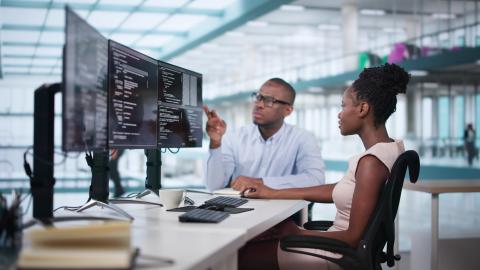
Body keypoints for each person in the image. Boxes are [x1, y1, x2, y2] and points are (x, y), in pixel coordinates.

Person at [237, 63, 410, 270]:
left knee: (236, 254)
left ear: (363, 109)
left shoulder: (371, 163)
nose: (339, 114)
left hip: (336, 253)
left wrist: (296, 233)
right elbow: (340, 189)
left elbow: (353, 237)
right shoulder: (390, 149)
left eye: (343, 106)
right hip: (338, 248)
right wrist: (272, 192)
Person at [204, 78, 325, 191]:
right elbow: (214, 186)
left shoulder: (303, 138)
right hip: (240, 210)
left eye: (269, 101)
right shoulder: (234, 137)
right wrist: (215, 143)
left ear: (287, 110)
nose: (259, 105)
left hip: (284, 211)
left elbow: (316, 180)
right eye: (258, 97)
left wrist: (260, 182)